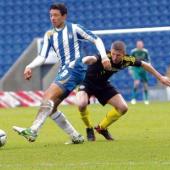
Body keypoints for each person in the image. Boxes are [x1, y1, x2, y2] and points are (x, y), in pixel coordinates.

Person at [13, 3, 111, 144]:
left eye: (56, 15)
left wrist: (105, 56)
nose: (52, 18)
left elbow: (96, 39)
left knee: (47, 96)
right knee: (51, 107)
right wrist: (29, 66)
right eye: (51, 15)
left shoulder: (74, 28)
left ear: (64, 16)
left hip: (75, 67)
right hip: (65, 69)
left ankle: (33, 130)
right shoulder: (49, 35)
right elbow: (42, 57)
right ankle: (75, 136)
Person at [76, 41, 170, 141]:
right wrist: (84, 60)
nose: (114, 57)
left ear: (123, 54)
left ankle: (101, 127)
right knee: (81, 104)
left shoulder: (127, 60)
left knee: (123, 108)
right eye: (113, 54)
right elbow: (92, 58)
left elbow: (145, 64)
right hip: (87, 83)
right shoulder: (105, 55)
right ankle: (89, 128)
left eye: (118, 55)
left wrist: (161, 77)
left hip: (103, 85)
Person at [129, 40, 151, 105]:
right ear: (136, 45)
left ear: (142, 45)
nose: (139, 45)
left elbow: (148, 60)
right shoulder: (133, 51)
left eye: (140, 44)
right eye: (138, 44)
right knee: (136, 83)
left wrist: (149, 67)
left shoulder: (145, 51)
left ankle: (146, 99)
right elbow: (130, 60)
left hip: (144, 68)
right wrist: (130, 69)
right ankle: (133, 98)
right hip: (136, 68)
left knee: (145, 85)